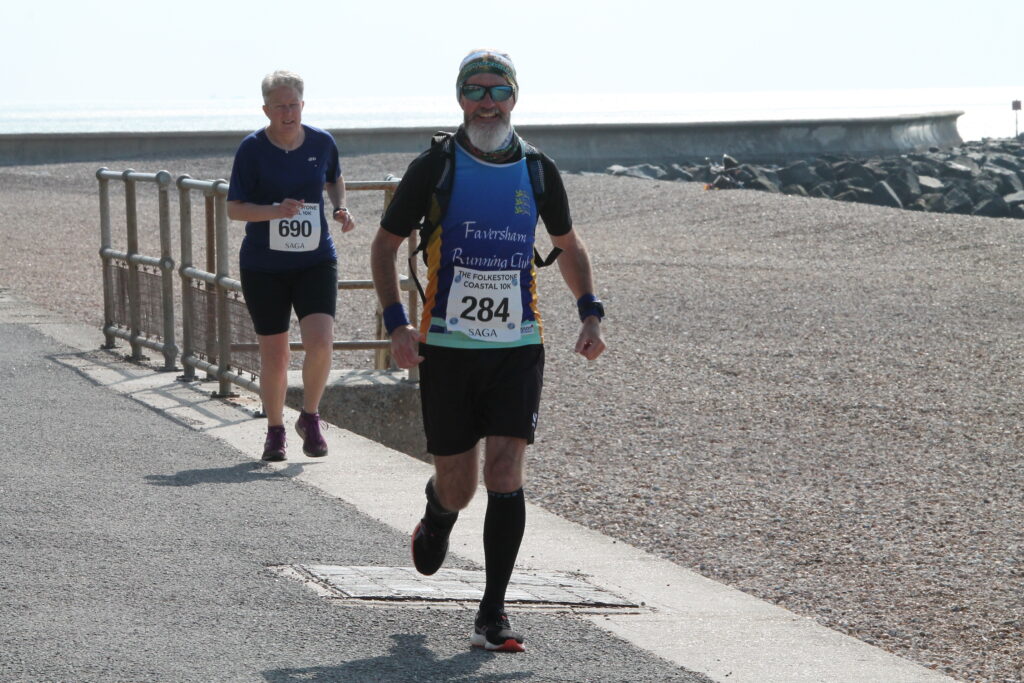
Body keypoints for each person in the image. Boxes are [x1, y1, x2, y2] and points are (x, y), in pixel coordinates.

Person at [370, 49, 606, 653]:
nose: (487, 101)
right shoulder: (435, 167)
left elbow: (568, 245)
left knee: (505, 471)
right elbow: (384, 247)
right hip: (446, 347)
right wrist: (398, 324)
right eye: (475, 90)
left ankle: (492, 614)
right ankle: (438, 509)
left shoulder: (537, 169)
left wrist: (590, 311)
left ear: (515, 97)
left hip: (518, 343)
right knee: (461, 484)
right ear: (459, 98)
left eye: (498, 90)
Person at [227, 70, 356, 462]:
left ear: (303, 104)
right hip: (264, 265)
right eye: (280, 106)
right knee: (276, 354)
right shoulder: (251, 149)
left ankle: (310, 417)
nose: (288, 112)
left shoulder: (322, 142)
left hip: (315, 258)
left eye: (294, 104)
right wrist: (273, 211)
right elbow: (234, 209)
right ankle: (275, 431)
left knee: (320, 342)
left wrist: (340, 207)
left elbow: (334, 179)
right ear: (266, 109)